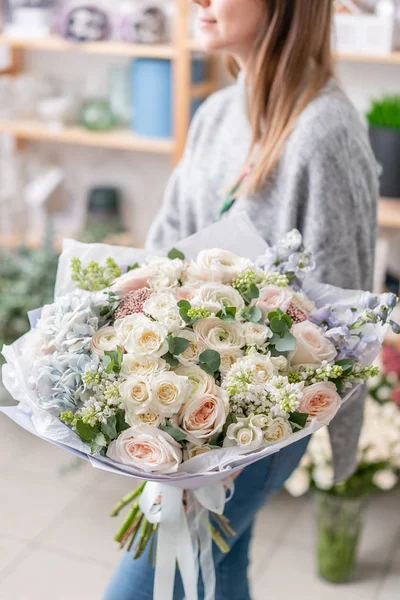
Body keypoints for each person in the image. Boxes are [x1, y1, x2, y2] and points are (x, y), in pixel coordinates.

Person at [104, 1, 378, 598]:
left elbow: (344, 319)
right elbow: (165, 243)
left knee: (136, 586)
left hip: (259, 430)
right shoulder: (219, 112)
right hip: (187, 416)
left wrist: (342, 442)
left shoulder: (325, 132)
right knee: (220, 570)